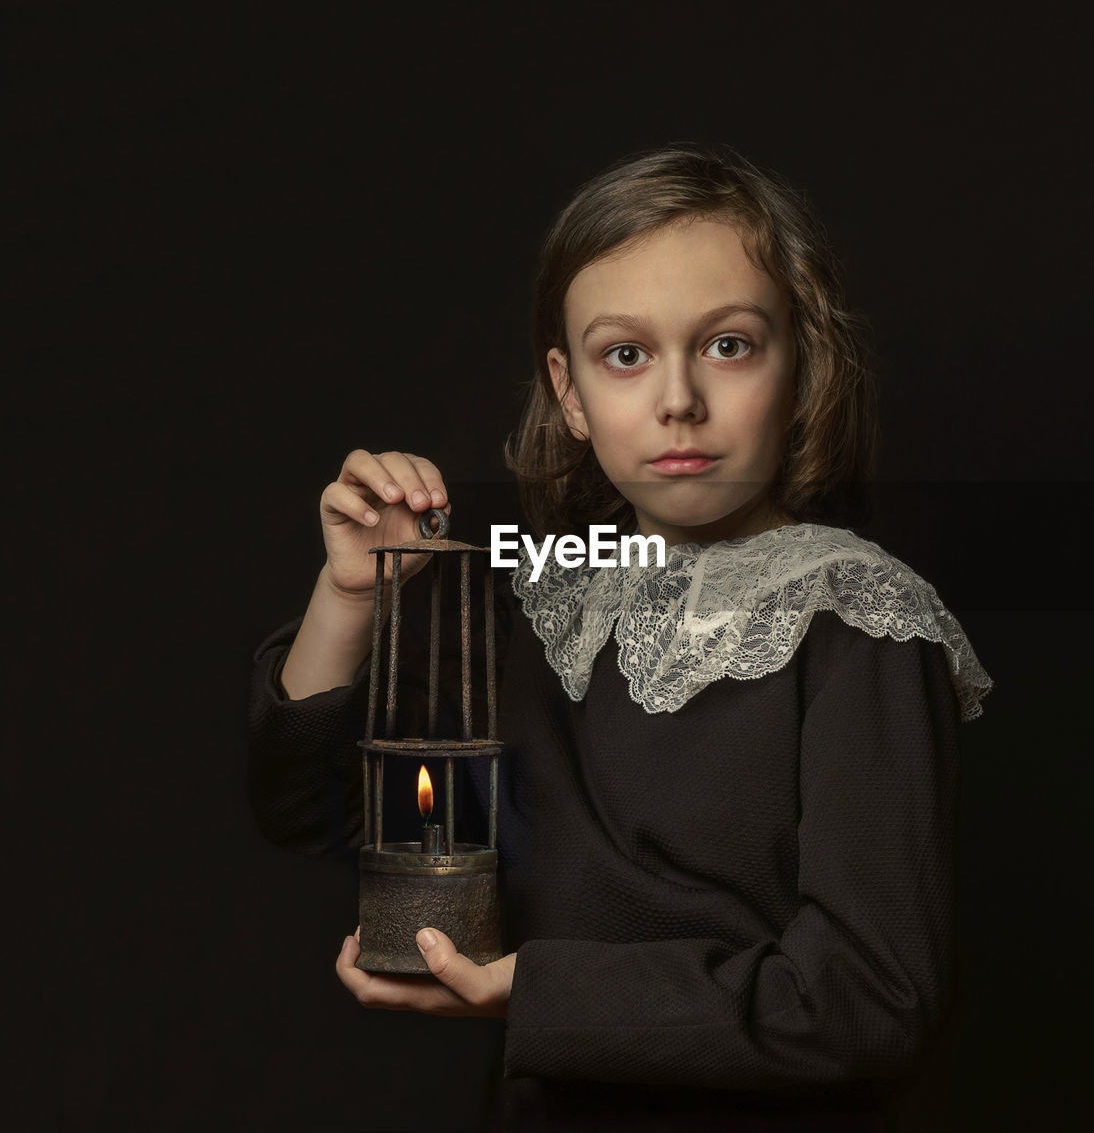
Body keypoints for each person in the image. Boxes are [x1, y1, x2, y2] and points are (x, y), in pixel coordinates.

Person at [246, 142, 994, 1132]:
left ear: (799, 361)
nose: (676, 398)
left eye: (727, 344)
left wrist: (537, 994)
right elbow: (319, 815)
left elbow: (868, 1002)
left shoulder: (858, 620)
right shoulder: (536, 603)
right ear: (569, 391)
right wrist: (349, 599)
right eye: (625, 354)